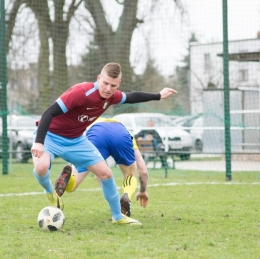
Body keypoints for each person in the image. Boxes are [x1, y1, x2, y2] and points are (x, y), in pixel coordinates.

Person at [31, 62, 177, 226]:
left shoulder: (112, 96)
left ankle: (118, 217)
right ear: (99, 78)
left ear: (118, 85)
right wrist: (38, 142)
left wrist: (158, 95)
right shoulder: (81, 92)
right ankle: (50, 193)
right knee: (41, 167)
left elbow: (132, 97)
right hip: (50, 136)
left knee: (106, 174)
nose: (108, 88)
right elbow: (49, 112)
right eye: (105, 83)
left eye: (113, 85)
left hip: (76, 140)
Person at [55, 117, 149, 217]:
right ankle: (127, 196)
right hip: (120, 134)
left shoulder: (91, 120)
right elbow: (143, 171)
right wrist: (143, 191)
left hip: (96, 132)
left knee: (81, 178)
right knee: (130, 174)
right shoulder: (128, 134)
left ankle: (69, 180)